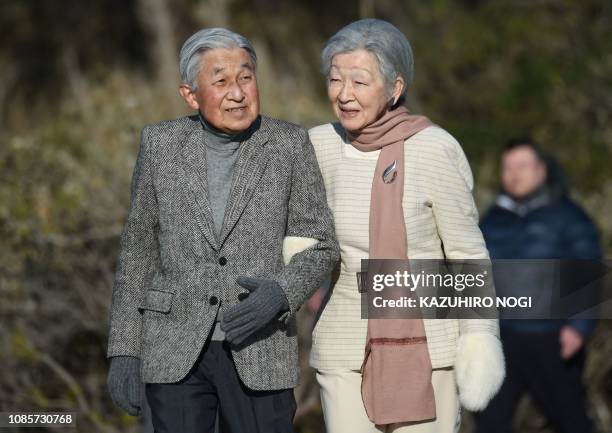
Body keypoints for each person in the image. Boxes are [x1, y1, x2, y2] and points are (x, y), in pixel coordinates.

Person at [105, 27, 339, 433]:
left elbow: (321, 245)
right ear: (190, 95)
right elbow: (138, 251)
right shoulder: (160, 144)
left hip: (260, 346)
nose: (238, 92)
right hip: (173, 347)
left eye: (246, 77)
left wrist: (280, 294)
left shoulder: (289, 143)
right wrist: (125, 349)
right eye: (221, 81)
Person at [308, 19, 504, 433]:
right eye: (335, 80)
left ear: (395, 88)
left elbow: (467, 255)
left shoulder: (434, 149)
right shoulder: (317, 147)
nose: (344, 95)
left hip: (429, 351)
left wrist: (480, 337)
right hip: (344, 350)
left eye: (359, 82)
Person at [474, 138, 601, 433]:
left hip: (551, 338)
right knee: (489, 420)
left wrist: (578, 327)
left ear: (542, 169)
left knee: (570, 419)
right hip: (500, 337)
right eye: (507, 167)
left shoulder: (569, 216)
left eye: (522, 165)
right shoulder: (493, 217)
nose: (513, 174)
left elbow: (587, 272)